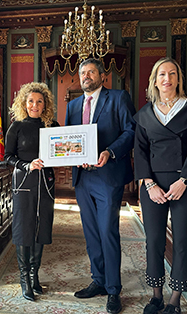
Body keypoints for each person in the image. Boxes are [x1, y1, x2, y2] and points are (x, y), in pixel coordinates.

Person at [133, 57, 187, 314]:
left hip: (185, 184)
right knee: (154, 240)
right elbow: (141, 151)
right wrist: (149, 184)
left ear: (179, 78)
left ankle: (174, 301)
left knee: (181, 241)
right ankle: (156, 295)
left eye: (172, 74)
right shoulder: (145, 114)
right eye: (161, 75)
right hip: (153, 185)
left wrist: (185, 180)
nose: (167, 79)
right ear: (154, 81)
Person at [65, 58, 136, 314]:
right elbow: (69, 140)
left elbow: (130, 131)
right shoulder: (73, 105)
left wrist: (109, 152)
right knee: (91, 232)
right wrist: (72, 156)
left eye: (91, 72)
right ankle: (98, 280)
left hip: (108, 176)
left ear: (102, 76)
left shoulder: (118, 98)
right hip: (83, 178)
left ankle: (114, 289)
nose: (86, 76)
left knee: (107, 231)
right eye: (82, 72)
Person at [5, 82, 59, 301]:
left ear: (45, 104)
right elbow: (7, 156)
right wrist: (26, 165)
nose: (34, 105)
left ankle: (35, 275)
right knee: (23, 227)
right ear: (23, 103)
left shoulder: (52, 125)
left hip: (46, 182)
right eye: (30, 101)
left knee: (42, 226)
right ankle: (24, 278)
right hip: (24, 181)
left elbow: (63, 150)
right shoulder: (16, 127)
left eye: (39, 101)